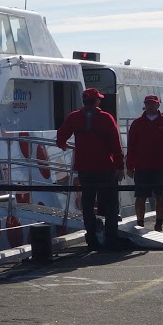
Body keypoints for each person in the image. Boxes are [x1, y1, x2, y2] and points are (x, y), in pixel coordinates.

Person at [56, 87, 125, 249]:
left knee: (87, 204)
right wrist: (119, 166)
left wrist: (64, 145)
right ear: (97, 101)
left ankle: (92, 238)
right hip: (105, 168)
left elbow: (60, 136)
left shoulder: (74, 117)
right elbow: (116, 144)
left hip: (84, 168)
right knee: (110, 204)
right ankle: (110, 238)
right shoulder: (106, 118)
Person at [126, 94, 163, 232]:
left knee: (160, 195)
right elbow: (131, 146)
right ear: (144, 105)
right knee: (140, 197)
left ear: (158, 105)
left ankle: (159, 223)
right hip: (141, 166)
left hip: (160, 166)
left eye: (153, 103)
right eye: (148, 103)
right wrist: (129, 166)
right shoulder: (137, 123)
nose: (150, 106)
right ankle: (139, 223)